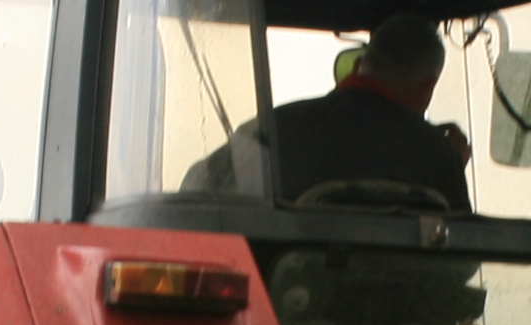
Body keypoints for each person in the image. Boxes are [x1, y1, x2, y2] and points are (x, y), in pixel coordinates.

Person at [189, 13, 473, 206]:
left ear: (360, 64)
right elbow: (463, 262)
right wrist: (452, 167)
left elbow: (195, 192)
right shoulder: (437, 153)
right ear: (428, 86)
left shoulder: (267, 131)